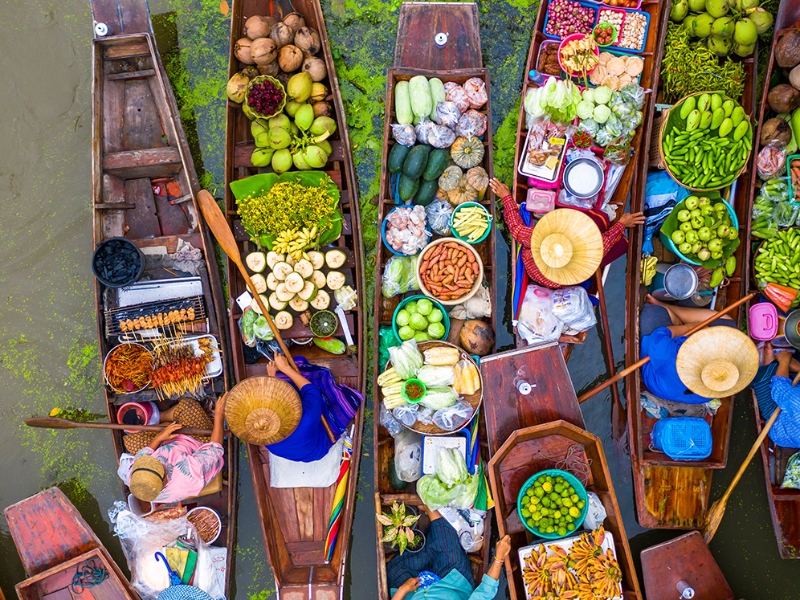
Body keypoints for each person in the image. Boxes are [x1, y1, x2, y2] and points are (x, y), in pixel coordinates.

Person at [489, 178, 644, 289]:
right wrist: (622, 224)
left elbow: (516, 229)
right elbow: (603, 244)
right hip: (573, 271)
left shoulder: (536, 242)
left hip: (561, 276)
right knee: (610, 234)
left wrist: (506, 196)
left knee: (603, 232)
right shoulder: (580, 259)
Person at [118, 395, 227, 503]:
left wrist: (160, 438)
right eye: (158, 463)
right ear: (165, 478)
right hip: (197, 446)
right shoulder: (190, 472)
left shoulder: (136, 477)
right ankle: (171, 421)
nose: (155, 460)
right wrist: (218, 416)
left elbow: (143, 454)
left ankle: (161, 417)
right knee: (188, 406)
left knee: (130, 441)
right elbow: (215, 448)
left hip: (169, 446)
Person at [389, 506, 511, 600]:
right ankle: (433, 519)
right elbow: (485, 592)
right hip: (451, 582)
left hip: (413, 591)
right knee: (449, 546)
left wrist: (403, 590)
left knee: (393, 571)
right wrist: (499, 558)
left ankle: (427, 544)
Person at [640, 296, 739, 403]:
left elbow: (660, 335)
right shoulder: (719, 382)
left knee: (652, 311)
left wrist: (690, 328)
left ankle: (670, 313)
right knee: (729, 327)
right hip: (674, 360)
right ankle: (669, 309)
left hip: (654, 363)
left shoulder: (669, 356)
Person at [264, 353, 334, 463]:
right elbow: (311, 390)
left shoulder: (263, 435)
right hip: (318, 446)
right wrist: (285, 368)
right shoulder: (306, 418)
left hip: (299, 447)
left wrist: (272, 376)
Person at [750, 342, 800, 448]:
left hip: (778, 423)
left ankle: (770, 364)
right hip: (794, 411)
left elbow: (779, 387)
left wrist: (784, 362)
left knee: (762, 377)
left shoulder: (797, 402)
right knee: (793, 365)